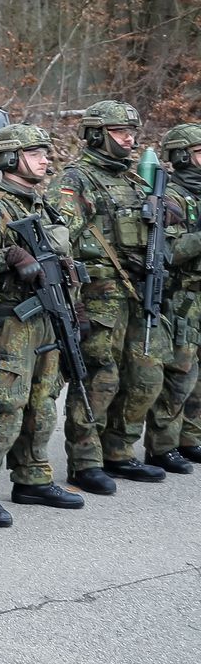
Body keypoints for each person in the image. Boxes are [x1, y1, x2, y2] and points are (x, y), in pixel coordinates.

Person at [0, 124, 87, 518]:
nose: (46, 159)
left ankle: (33, 477)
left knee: (44, 401)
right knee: (4, 404)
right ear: (10, 158)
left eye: (46, 152)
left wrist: (75, 305)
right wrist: (8, 257)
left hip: (48, 314)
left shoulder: (39, 204)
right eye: (35, 153)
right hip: (14, 320)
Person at [49, 101, 171, 491]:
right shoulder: (76, 179)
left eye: (132, 132)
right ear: (96, 135)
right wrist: (74, 299)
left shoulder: (134, 180)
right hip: (99, 294)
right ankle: (86, 461)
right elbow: (61, 240)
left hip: (136, 290)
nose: (129, 139)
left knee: (146, 375)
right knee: (100, 376)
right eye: (120, 132)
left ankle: (119, 451)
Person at [143, 123, 201, 473]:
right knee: (180, 371)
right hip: (182, 297)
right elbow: (169, 251)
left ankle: (190, 437)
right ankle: (163, 445)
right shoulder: (172, 197)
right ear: (181, 156)